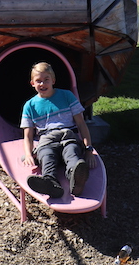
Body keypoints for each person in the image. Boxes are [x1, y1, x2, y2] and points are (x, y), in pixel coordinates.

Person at [20, 61, 98, 198]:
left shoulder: (66, 96)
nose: (42, 84)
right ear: (32, 83)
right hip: (47, 138)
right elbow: (28, 135)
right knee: (46, 155)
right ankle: (50, 182)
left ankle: (76, 178)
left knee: (72, 152)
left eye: (46, 80)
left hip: (68, 135)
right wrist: (28, 154)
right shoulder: (30, 105)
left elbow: (81, 124)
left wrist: (89, 150)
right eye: (38, 81)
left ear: (53, 81)